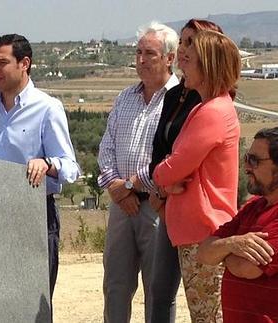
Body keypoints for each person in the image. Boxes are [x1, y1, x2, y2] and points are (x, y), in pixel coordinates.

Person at [0, 34, 80, 305]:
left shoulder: (47, 108)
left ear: (24, 63)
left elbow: (70, 167)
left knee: (32, 303)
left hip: (34, 215)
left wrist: (47, 164)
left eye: (2, 62)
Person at [153, 30, 242, 322]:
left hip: (203, 231)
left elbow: (172, 167)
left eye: (188, 61)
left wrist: (162, 175)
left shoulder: (212, 112)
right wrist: (166, 176)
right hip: (199, 231)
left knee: (208, 317)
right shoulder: (210, 108)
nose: (182, 68)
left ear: (208, 65)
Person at [97, 21, 178, 323]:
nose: (141, 60)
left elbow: (172, 157)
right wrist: (117, 188)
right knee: (115, 286)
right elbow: (106, 148)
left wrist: (131, 185)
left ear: (170, 58)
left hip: (157, 206)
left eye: (150, 54)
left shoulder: (179, 100)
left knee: (158, 291)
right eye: (138, 52)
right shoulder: (125, 97)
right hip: (121, 207)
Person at [197, 127, 278, 322]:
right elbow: (204, 253)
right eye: (246, 158)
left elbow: (246, 268)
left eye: (254, 160)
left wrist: (223, 254)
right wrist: (232, 244)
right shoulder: (252, 208)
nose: (246, 167)